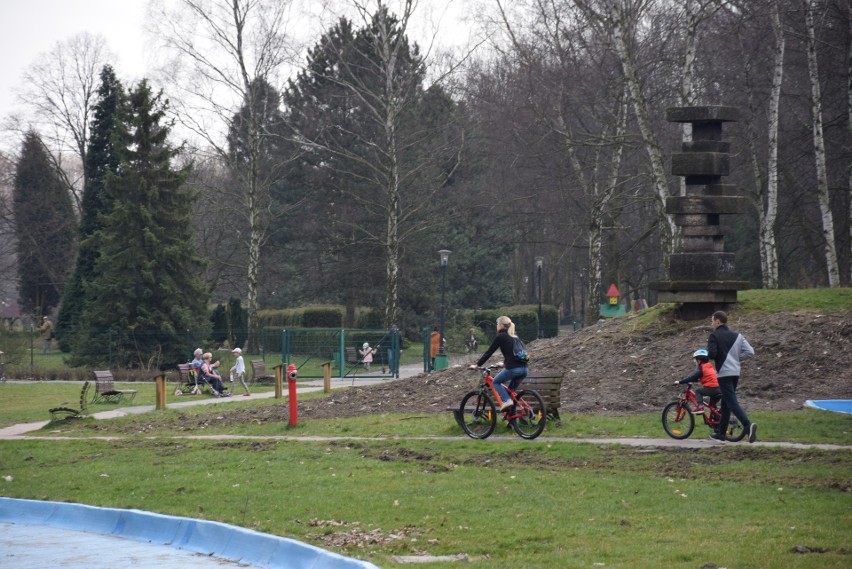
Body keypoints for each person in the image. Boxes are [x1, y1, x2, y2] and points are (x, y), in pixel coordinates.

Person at [707, 311, 756, 443]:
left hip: (724, 373)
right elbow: (750, 352)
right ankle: (721, 434)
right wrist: (736, 359)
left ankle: (748, 425)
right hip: (735, 372)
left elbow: (712, 354)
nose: (711, 324)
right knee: (726, 402)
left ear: (718, 321)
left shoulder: (714, 336)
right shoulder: (738, 336)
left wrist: (705, 354)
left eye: (712, 321)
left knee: (731, 402)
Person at [472, 316, 529, 410]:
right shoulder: (515, 337)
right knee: (511, 392)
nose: (496, 326)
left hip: (513, 369)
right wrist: (504, 364)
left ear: (501, 325)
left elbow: (489, 352)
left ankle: (506, 400)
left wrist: (477, 365)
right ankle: (512, 420)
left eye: (497, 324)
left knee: (496, 382)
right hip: (524, 369)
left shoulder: (501, 336)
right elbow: (514, 354)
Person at [673, 349, 720, 414]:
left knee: (698, 391)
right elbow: (699, 378)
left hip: (712, 389)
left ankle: (700, 407)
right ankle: (716, 420)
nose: (694, 361)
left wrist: (680, 382)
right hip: (719, 388)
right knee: (712, 406)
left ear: (699, 360)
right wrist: (694, 380)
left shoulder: (702, 368)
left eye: (695, 359)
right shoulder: (709, 367)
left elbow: (693, 377)